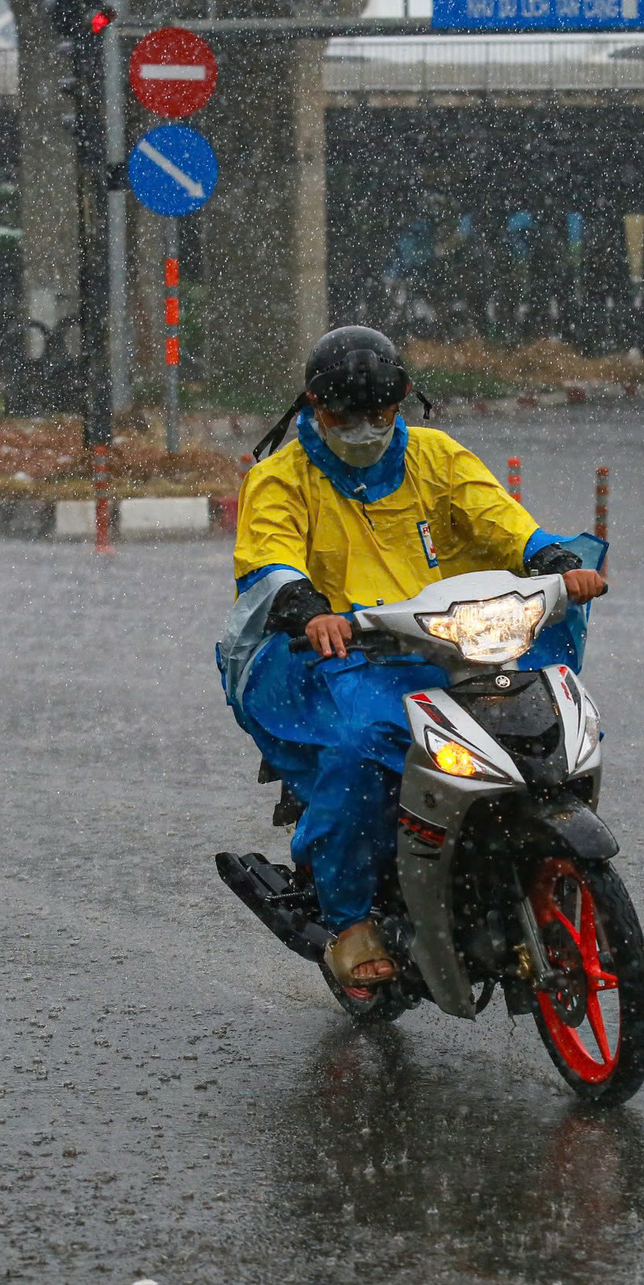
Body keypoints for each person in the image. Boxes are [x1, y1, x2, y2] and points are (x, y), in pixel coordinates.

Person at [219, 327, 606, 995]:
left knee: (536, 717)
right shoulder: (281, 477)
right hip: (330, 656)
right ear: (316, 405)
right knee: (362, 751)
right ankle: (348, 921)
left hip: (445, 645)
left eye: (382, 413)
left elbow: (497, 518)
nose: (367, 429)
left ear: (402, 403)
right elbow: (270, 558)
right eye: (348, 415)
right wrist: (309, 607)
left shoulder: (435, 456)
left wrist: (551, 559)